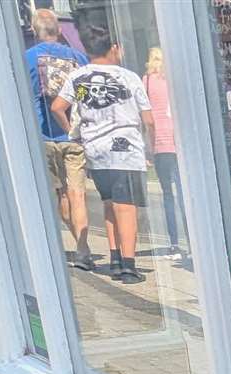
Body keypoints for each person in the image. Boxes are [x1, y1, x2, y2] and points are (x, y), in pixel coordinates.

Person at [51, 24, 153, 285]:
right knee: (126, 206)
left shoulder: (79, 78)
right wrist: (148, 145)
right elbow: (148, 119)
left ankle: (116, 257)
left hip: (96, 150)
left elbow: (58, 107)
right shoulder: (129, 78)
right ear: (114, 48)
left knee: (109, 201)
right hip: (125, 148)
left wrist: (74, 133)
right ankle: (129, 266)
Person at [22, 7, 92, 270]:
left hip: (44, 135)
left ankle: (79, 243)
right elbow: (84, 97)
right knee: (78, 194)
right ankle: (83, 247)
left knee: (60, 194)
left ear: (33, 30)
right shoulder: (78, 58)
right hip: (74, 135)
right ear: (60, 30)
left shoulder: (27, 59)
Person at [142, 47, 187, 266]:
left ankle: (174, 243)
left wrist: (148, 148)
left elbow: (146, 116)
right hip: (178, 142)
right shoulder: (175, 79)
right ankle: (192, 239)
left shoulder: (147, 82)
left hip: (160, 143)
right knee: (184, 194)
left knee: (168, 194)